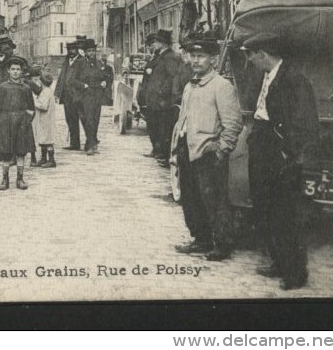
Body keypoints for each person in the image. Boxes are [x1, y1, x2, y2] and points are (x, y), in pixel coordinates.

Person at [243, 32, 320, 290]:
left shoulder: (294, 80)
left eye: (251, 56)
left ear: (263, 54)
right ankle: (278, 261)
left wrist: (289, 154)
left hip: (281, 154)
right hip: (263, 146)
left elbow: (306, 123)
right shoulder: (265, 75)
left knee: (284, 214)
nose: (250, 61)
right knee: (264, 208)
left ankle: (295, 274)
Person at [171, 36, 243, 262]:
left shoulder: (221, 86)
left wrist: (222, 149)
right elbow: (183, 118)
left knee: (214, 201)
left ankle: (222, 244)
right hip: (187, 150)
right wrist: (176, 146)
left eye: (201, 56)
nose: (196, 60)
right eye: (193, 56)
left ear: (213, 59)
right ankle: (200, 239)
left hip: (208, 152)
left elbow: (233, 123)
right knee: (191, 200)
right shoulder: (190, 85)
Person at [137, 29, 184, 167]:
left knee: (163, 127)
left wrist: (161, 92)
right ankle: (157, 150)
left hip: (162, 100)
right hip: (154, 99)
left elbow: (171, 77)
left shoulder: (169, 57)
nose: (154, 44)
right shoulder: (158, 56)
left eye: (156, 42)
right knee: (154, 125)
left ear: (162, 43)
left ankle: (163, 154)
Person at [0, 57, 35, 190]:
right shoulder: (2, 87)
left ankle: (20, 178)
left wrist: (26, 121)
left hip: (22, 122)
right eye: (13, 69)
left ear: (21, 71)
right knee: (5, 153)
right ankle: (5, 179)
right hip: (6, 122)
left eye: (18, 69)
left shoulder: (26, 88)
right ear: (8, 71)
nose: (15, 72)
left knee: (21, 152)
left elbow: (31, 108)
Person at [75, 39, 109, 155]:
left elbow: (105, 76)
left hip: (97, 95)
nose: (92, 53)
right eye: (89, 51)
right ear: (85, 52)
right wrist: (83, 85)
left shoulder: (99, 63)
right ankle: (91, 145)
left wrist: (105, 82)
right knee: (88, 120)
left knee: (95, 120)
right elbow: (72, 80)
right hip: (85, 95)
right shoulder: (79, 63)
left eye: (93, 51)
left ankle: (91, 142)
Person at [54, 40, 85, 150]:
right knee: (70, 119)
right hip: (67, 96)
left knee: (84, 119)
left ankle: (90, 143)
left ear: (77, 50)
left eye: (73, 49)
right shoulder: (66, 61)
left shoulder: (82, 61)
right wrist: (57, 92)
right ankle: (74, 143)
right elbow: (61, 77)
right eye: (69, 49)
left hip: (78, 95)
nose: (71, 51)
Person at [33, 73, 57, 168]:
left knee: (48, 140)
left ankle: (51, 160)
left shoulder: (46, 92)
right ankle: (43, 159)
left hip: (46, 119)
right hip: (43, 119)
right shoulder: (46, 91)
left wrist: (34, 102)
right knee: (43, 139)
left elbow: (44, 106)